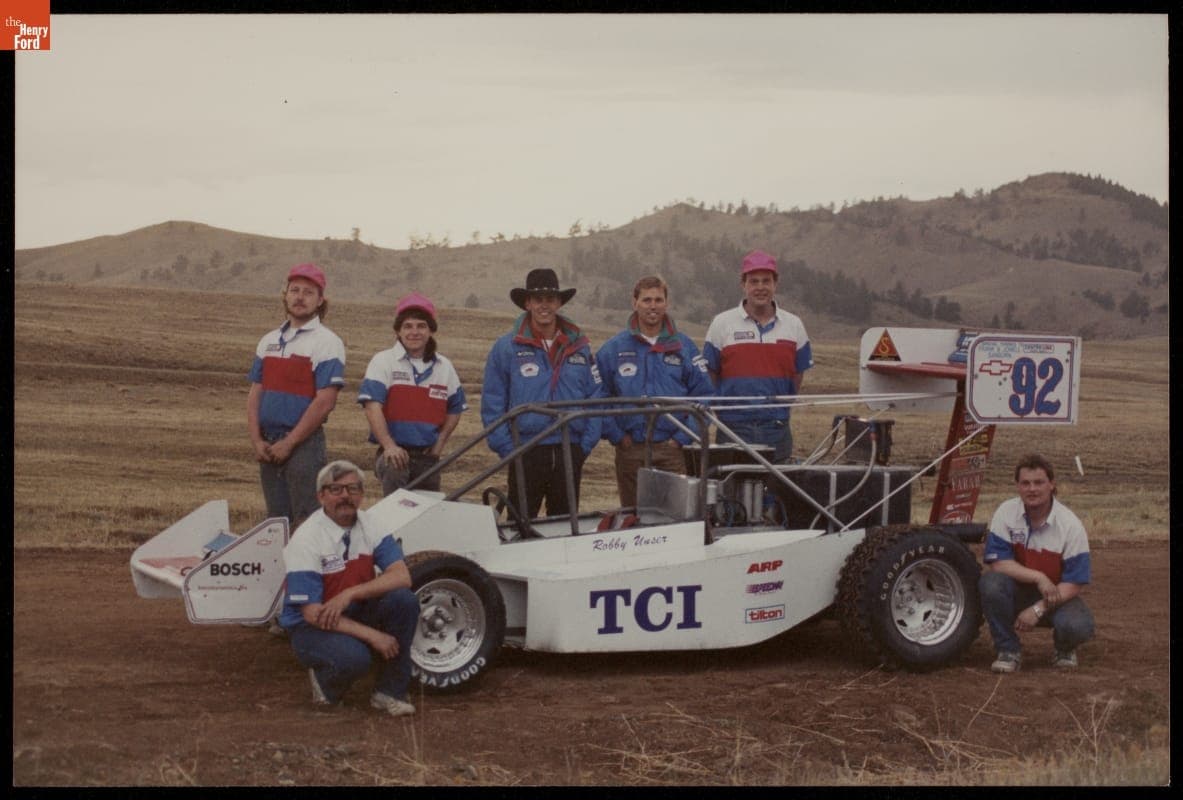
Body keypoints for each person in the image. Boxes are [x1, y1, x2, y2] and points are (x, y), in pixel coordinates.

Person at [279, 460, 421, 716]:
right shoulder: (307, 539)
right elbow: (312, 613)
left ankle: (389, 692)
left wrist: (350, 594)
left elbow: (402, 576)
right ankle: (325, 685)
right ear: (321, 496)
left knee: (404, 601)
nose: (345, 496)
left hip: (352, 609)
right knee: (355, 659)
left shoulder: (370, 524)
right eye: (336, 489)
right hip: (310, 626)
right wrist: (373, 636)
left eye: (353, 489)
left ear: (362, 495)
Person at [481, 267, 603, 519]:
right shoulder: (506, 347)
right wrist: (507, 449)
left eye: (550, 299)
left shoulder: (580, 347)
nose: (544, 305)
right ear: (527, 303)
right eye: (538, 299)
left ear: (559, 302)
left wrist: (585, 445)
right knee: (520, 525)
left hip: (570, 448)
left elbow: (595, 397)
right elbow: (493, 403)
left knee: (565, 526)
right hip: (526, 448)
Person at [595, 275, 714, 508]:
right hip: (630, 451)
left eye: (658, 300)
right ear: (634, 302)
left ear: (666, 304)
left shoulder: (684, 346)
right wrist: (618, 436)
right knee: (633, 517)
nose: (653, 306)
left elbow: (705, 396)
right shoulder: (613, 349)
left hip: (670, 450)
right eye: (646, 299)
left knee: (676, 517)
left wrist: (681, 438)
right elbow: (598, 397)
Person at [247, 263, 345, 528]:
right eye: (295, 290)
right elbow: (256, 392)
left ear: (320, 300)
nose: (300, 297)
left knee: (307, 521)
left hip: (303, 446)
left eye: (308, 292)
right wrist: (257, 440)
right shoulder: (268, 340)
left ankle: (310, 570)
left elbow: (325, 401)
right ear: (285, 295)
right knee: (276, 523)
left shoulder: (327, 342)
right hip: (268, 444)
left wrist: (289, 443)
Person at [980, 454, 1095, 673]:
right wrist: (1039, 577)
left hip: (1056, 596)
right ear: (1018, 486)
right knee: (991, 584)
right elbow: (998, 563)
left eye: (1039, 482)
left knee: (1077, 625)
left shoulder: (1070, 525)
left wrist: (1038, 609)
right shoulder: (1006, 512)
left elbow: (1074, 583)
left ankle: (1064, 648)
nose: (1032, 489)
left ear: (1052, 485)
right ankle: (1008, 650)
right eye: (1025, 483)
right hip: (1016, 591)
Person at [702, 249, 812, 463]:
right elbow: (710, 373)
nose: (760, 287)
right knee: (731, 493)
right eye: (754, 281)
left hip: (776, 428)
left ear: (775, 284)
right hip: (732, 428)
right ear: (743, 285)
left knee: (776, 492)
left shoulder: (794, 325)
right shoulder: (722, 323)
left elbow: (797, 375)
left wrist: (779, 409)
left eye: (766, 281)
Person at [358, 292, 467, 495]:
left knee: (427, 515)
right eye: (408, 326)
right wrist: (389, 446)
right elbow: (372, 407)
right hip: (394, 455)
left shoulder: (444, 367)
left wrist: (438, 446)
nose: (414, 332)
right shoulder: (383, 361)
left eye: (421, 326)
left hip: (427, 457)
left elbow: (455, 408)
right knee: (397, 512)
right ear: (398, 331)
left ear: (431, 331)